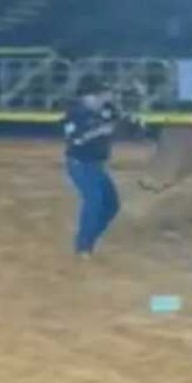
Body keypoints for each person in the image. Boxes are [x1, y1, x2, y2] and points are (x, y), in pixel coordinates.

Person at [61, 75, 139, 258]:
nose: (104, 99)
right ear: (86, 97)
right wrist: (100, 131)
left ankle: (88, 240)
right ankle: (83, 247)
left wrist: (134, 122)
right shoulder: (74, 114)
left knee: (112, 205)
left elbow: (125, 123)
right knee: (94, 202)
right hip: (80, 165)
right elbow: (74, 140)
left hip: (96, 165)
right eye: (100, 95)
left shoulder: (106, 109)